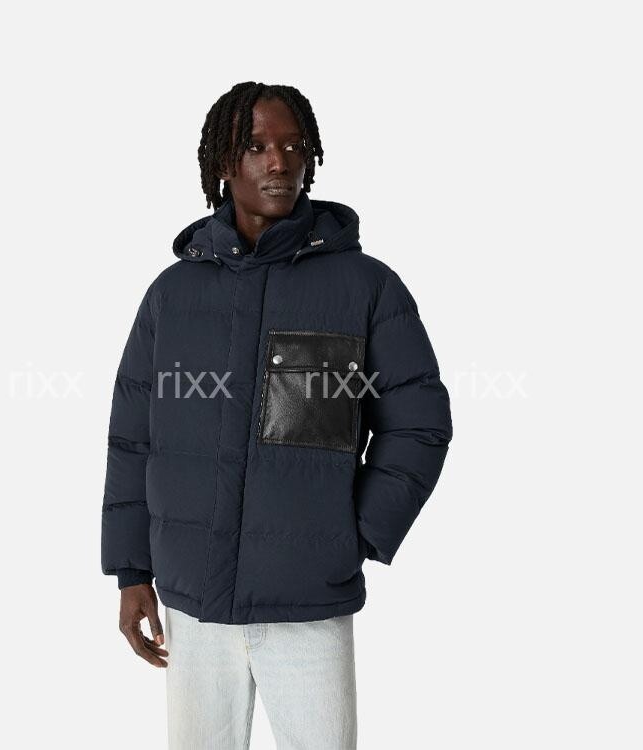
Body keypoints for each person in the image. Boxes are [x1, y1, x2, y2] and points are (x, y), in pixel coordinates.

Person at [101, 81, 453, 749]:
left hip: (308, 604)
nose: (279, 162)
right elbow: (133, 439)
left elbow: (418, 424)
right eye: (257, 146)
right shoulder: (172, 295)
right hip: (192, 602)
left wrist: (353, 534)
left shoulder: (366, 287)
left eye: (294, 146)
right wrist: (131, 571)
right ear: (223, 162)